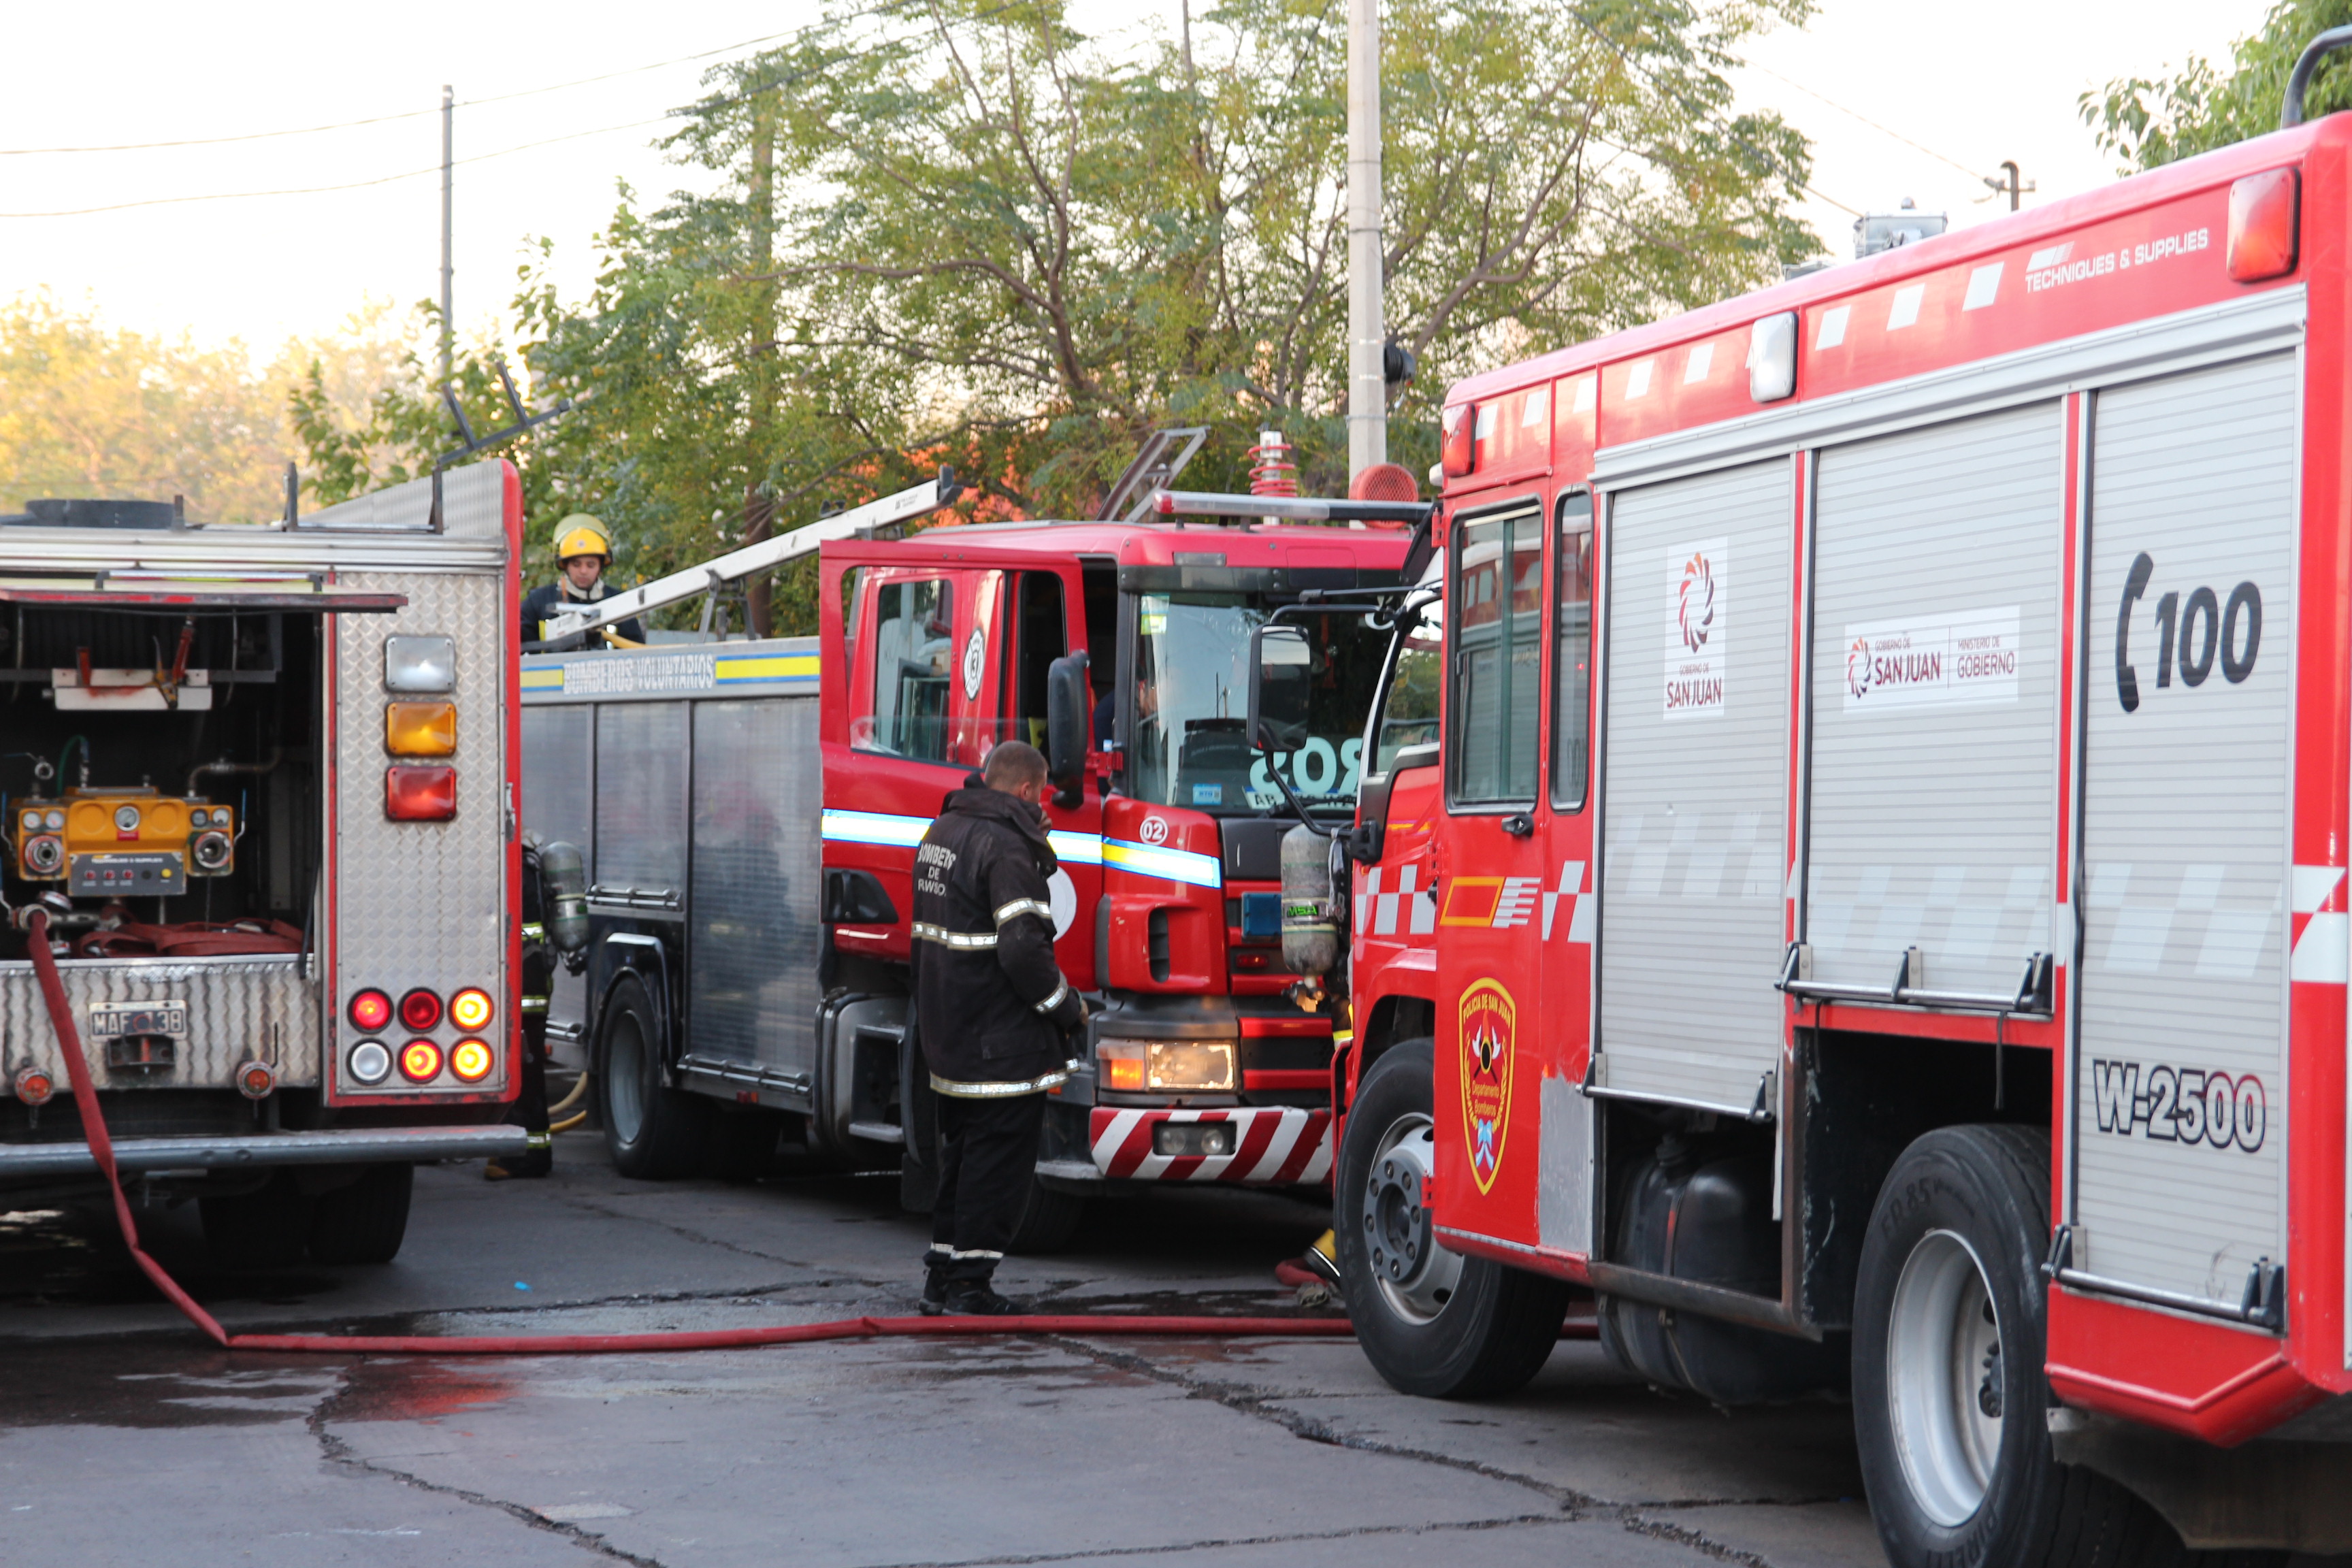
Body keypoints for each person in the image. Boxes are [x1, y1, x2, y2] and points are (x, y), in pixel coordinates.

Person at [911, 740, 1086, 1315]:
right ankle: (971, 1286)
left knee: (960, 1160)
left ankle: (943, 1277)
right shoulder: (1007, 848)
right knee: (997, 1168)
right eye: (1042, 796)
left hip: (949, 1034)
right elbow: (1022, 952)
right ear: (1028, 790)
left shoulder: (940, 833)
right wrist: (1067, 1009)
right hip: (1001, 1043)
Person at [486, 837, 555, 1180]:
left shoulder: (513, 868)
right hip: (529, 989)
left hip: (520, 993)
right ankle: (525, 1152)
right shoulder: (528, 865)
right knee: (526, 1073)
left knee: (521, 1075)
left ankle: (525, 1157)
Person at [520, 514, 647, 649]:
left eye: (591, 565)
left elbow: (636, 653)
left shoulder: (619, 603)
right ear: (565, 566)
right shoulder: (538, 602)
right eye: (576, 565)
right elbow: (520, 650)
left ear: (601, 567)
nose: (583, 571)